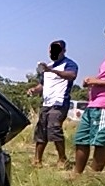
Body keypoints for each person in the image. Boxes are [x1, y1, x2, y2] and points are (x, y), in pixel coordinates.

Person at [72, 20, 105, 174]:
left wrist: (97, 81)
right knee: (81, 139)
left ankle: (93, 178)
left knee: (100, 141)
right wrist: (91, 82)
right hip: (93, 104)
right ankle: (77, 175)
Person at [26, 40, 78, 168]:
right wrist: (34, 90)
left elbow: (71, 76)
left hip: (60, 102)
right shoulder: (47, 67)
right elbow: (42, 85)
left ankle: (62, 159)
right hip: (46, 103)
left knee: (54, 128)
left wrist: (53, 70)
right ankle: (37, 160)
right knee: (41, 130)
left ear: (63, 51)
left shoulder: (69, 64)